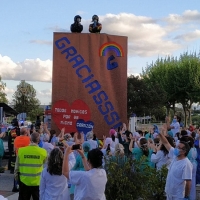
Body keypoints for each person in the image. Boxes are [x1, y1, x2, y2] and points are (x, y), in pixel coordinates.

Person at [159, 124, 192, 200]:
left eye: (179, 148)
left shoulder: (186, 164)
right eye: (177, 146)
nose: (176, 148)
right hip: (169, 193)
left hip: (178, 195)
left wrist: (186, 196)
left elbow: (188, 182)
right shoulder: (175, 155)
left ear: (184, 151)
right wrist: (160, 133)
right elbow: (166, 143)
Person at [14, 132, 47, 200]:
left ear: (30, 139)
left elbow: (16, 167)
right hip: (37, 182)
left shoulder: (21, 151)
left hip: (24, 181)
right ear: (38, 140)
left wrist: (17, 178)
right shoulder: (43, 152)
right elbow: (45, 164)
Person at [180, 136, 197, 200]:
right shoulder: (194, 148)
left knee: (188, 182)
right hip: (194, 164)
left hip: (190, 165)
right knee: (193, 183)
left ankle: (188, 196)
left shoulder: (188, 150)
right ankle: (192, 197)